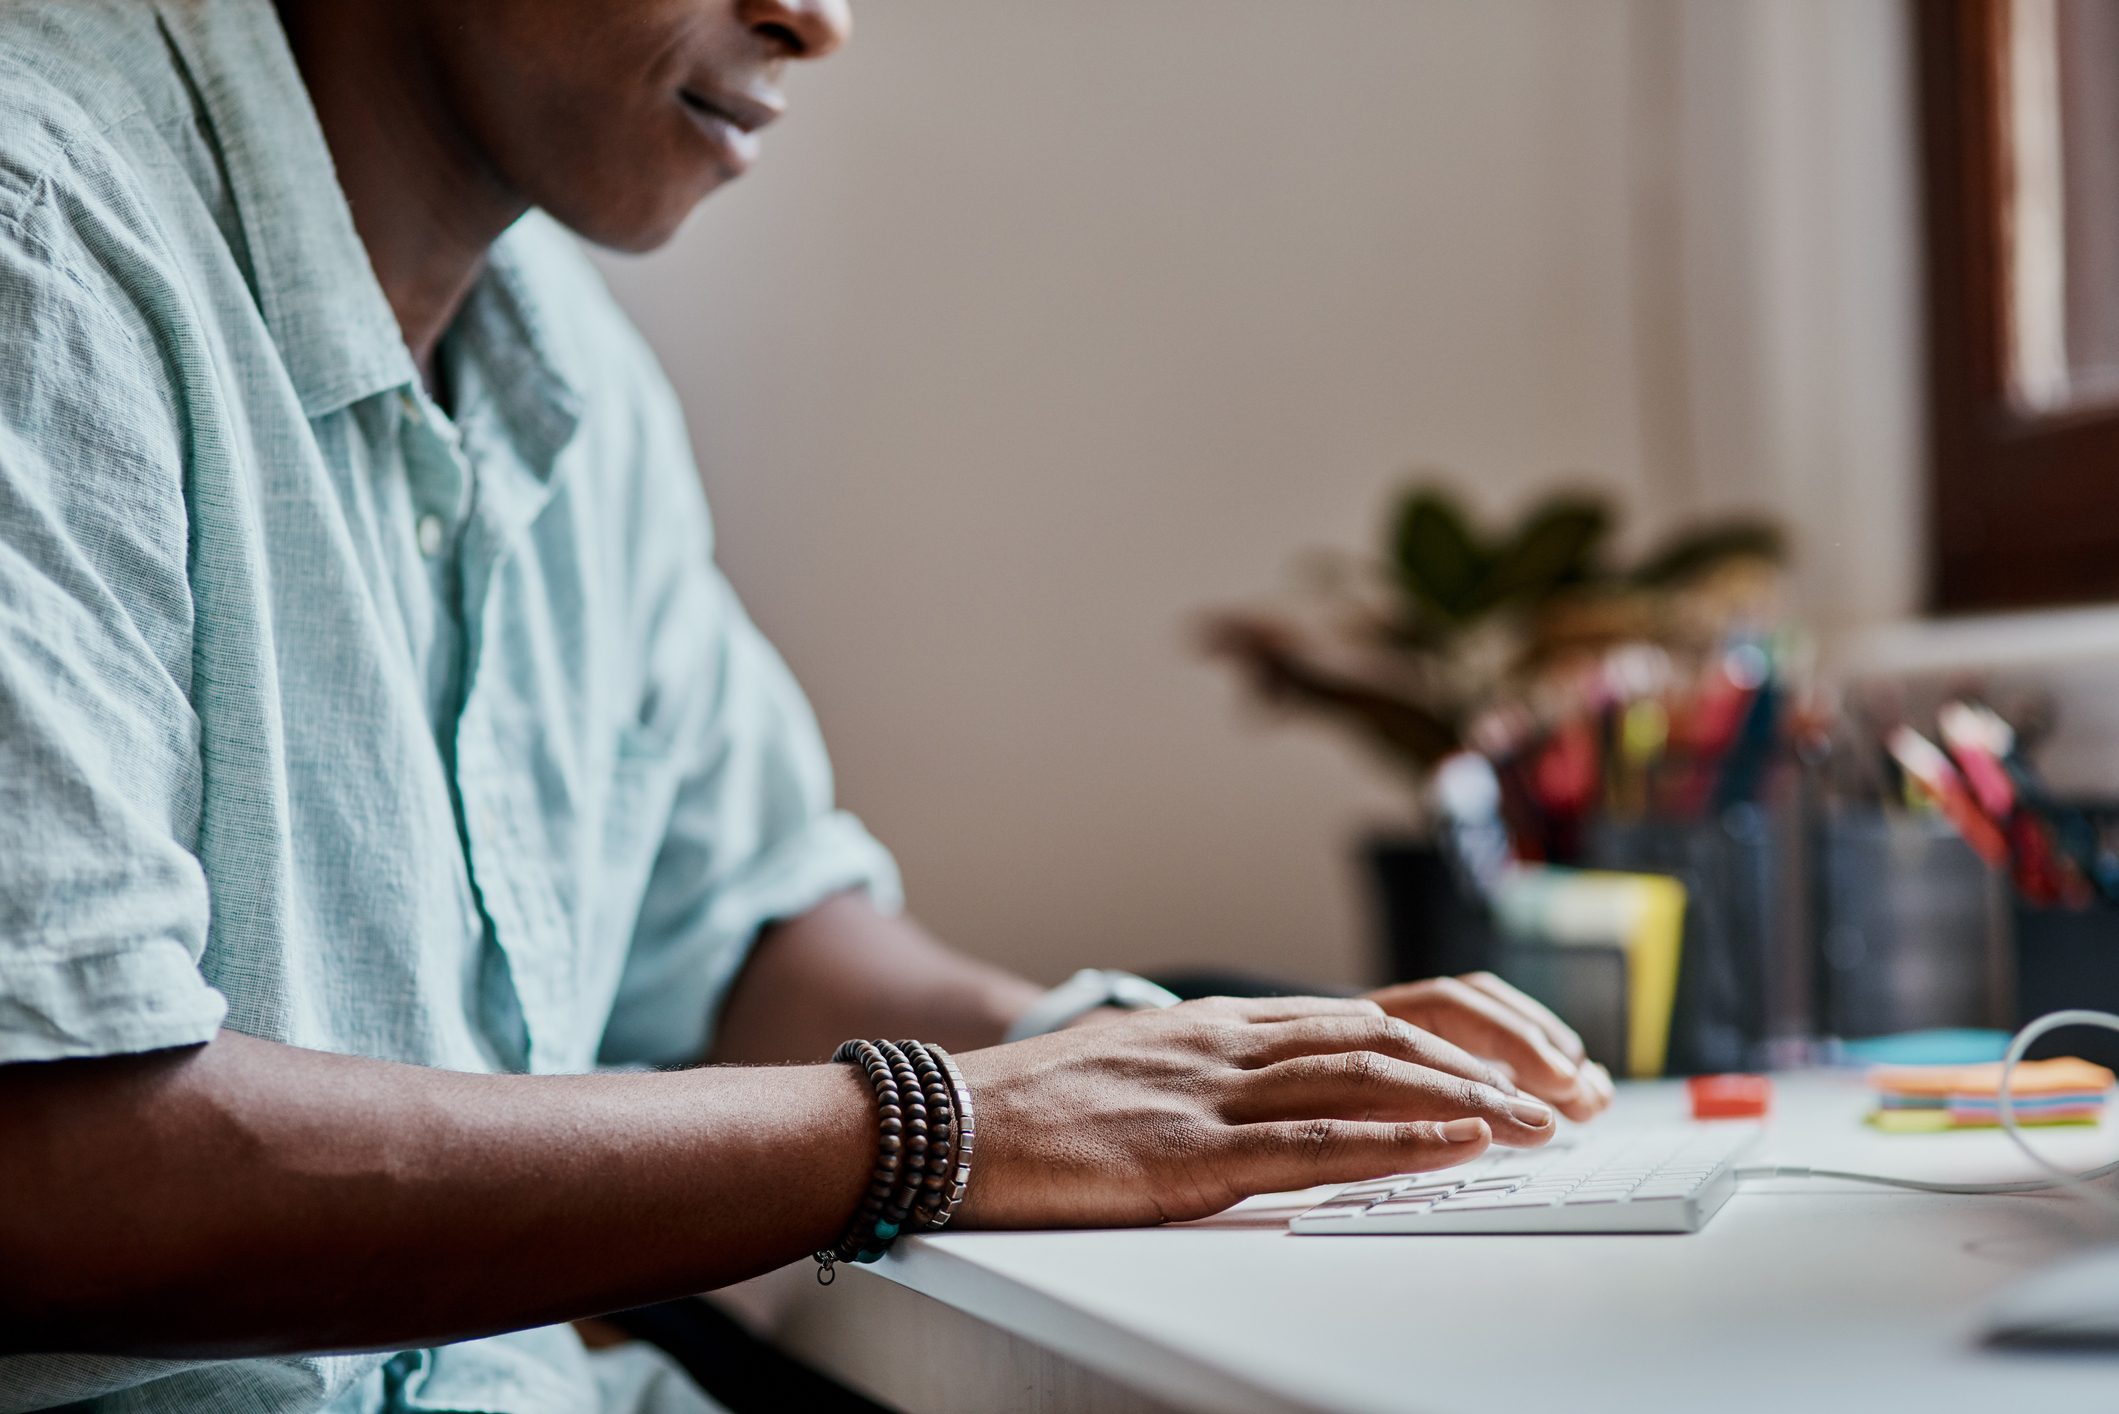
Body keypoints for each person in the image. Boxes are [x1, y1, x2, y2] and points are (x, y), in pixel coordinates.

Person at [0, 2, 1614, 1410]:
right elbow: (61, 1166)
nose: (818, 20)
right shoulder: (42, 235)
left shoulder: (563, 365)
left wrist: (1174, 1074)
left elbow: (754, 948)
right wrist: (941, 1124)